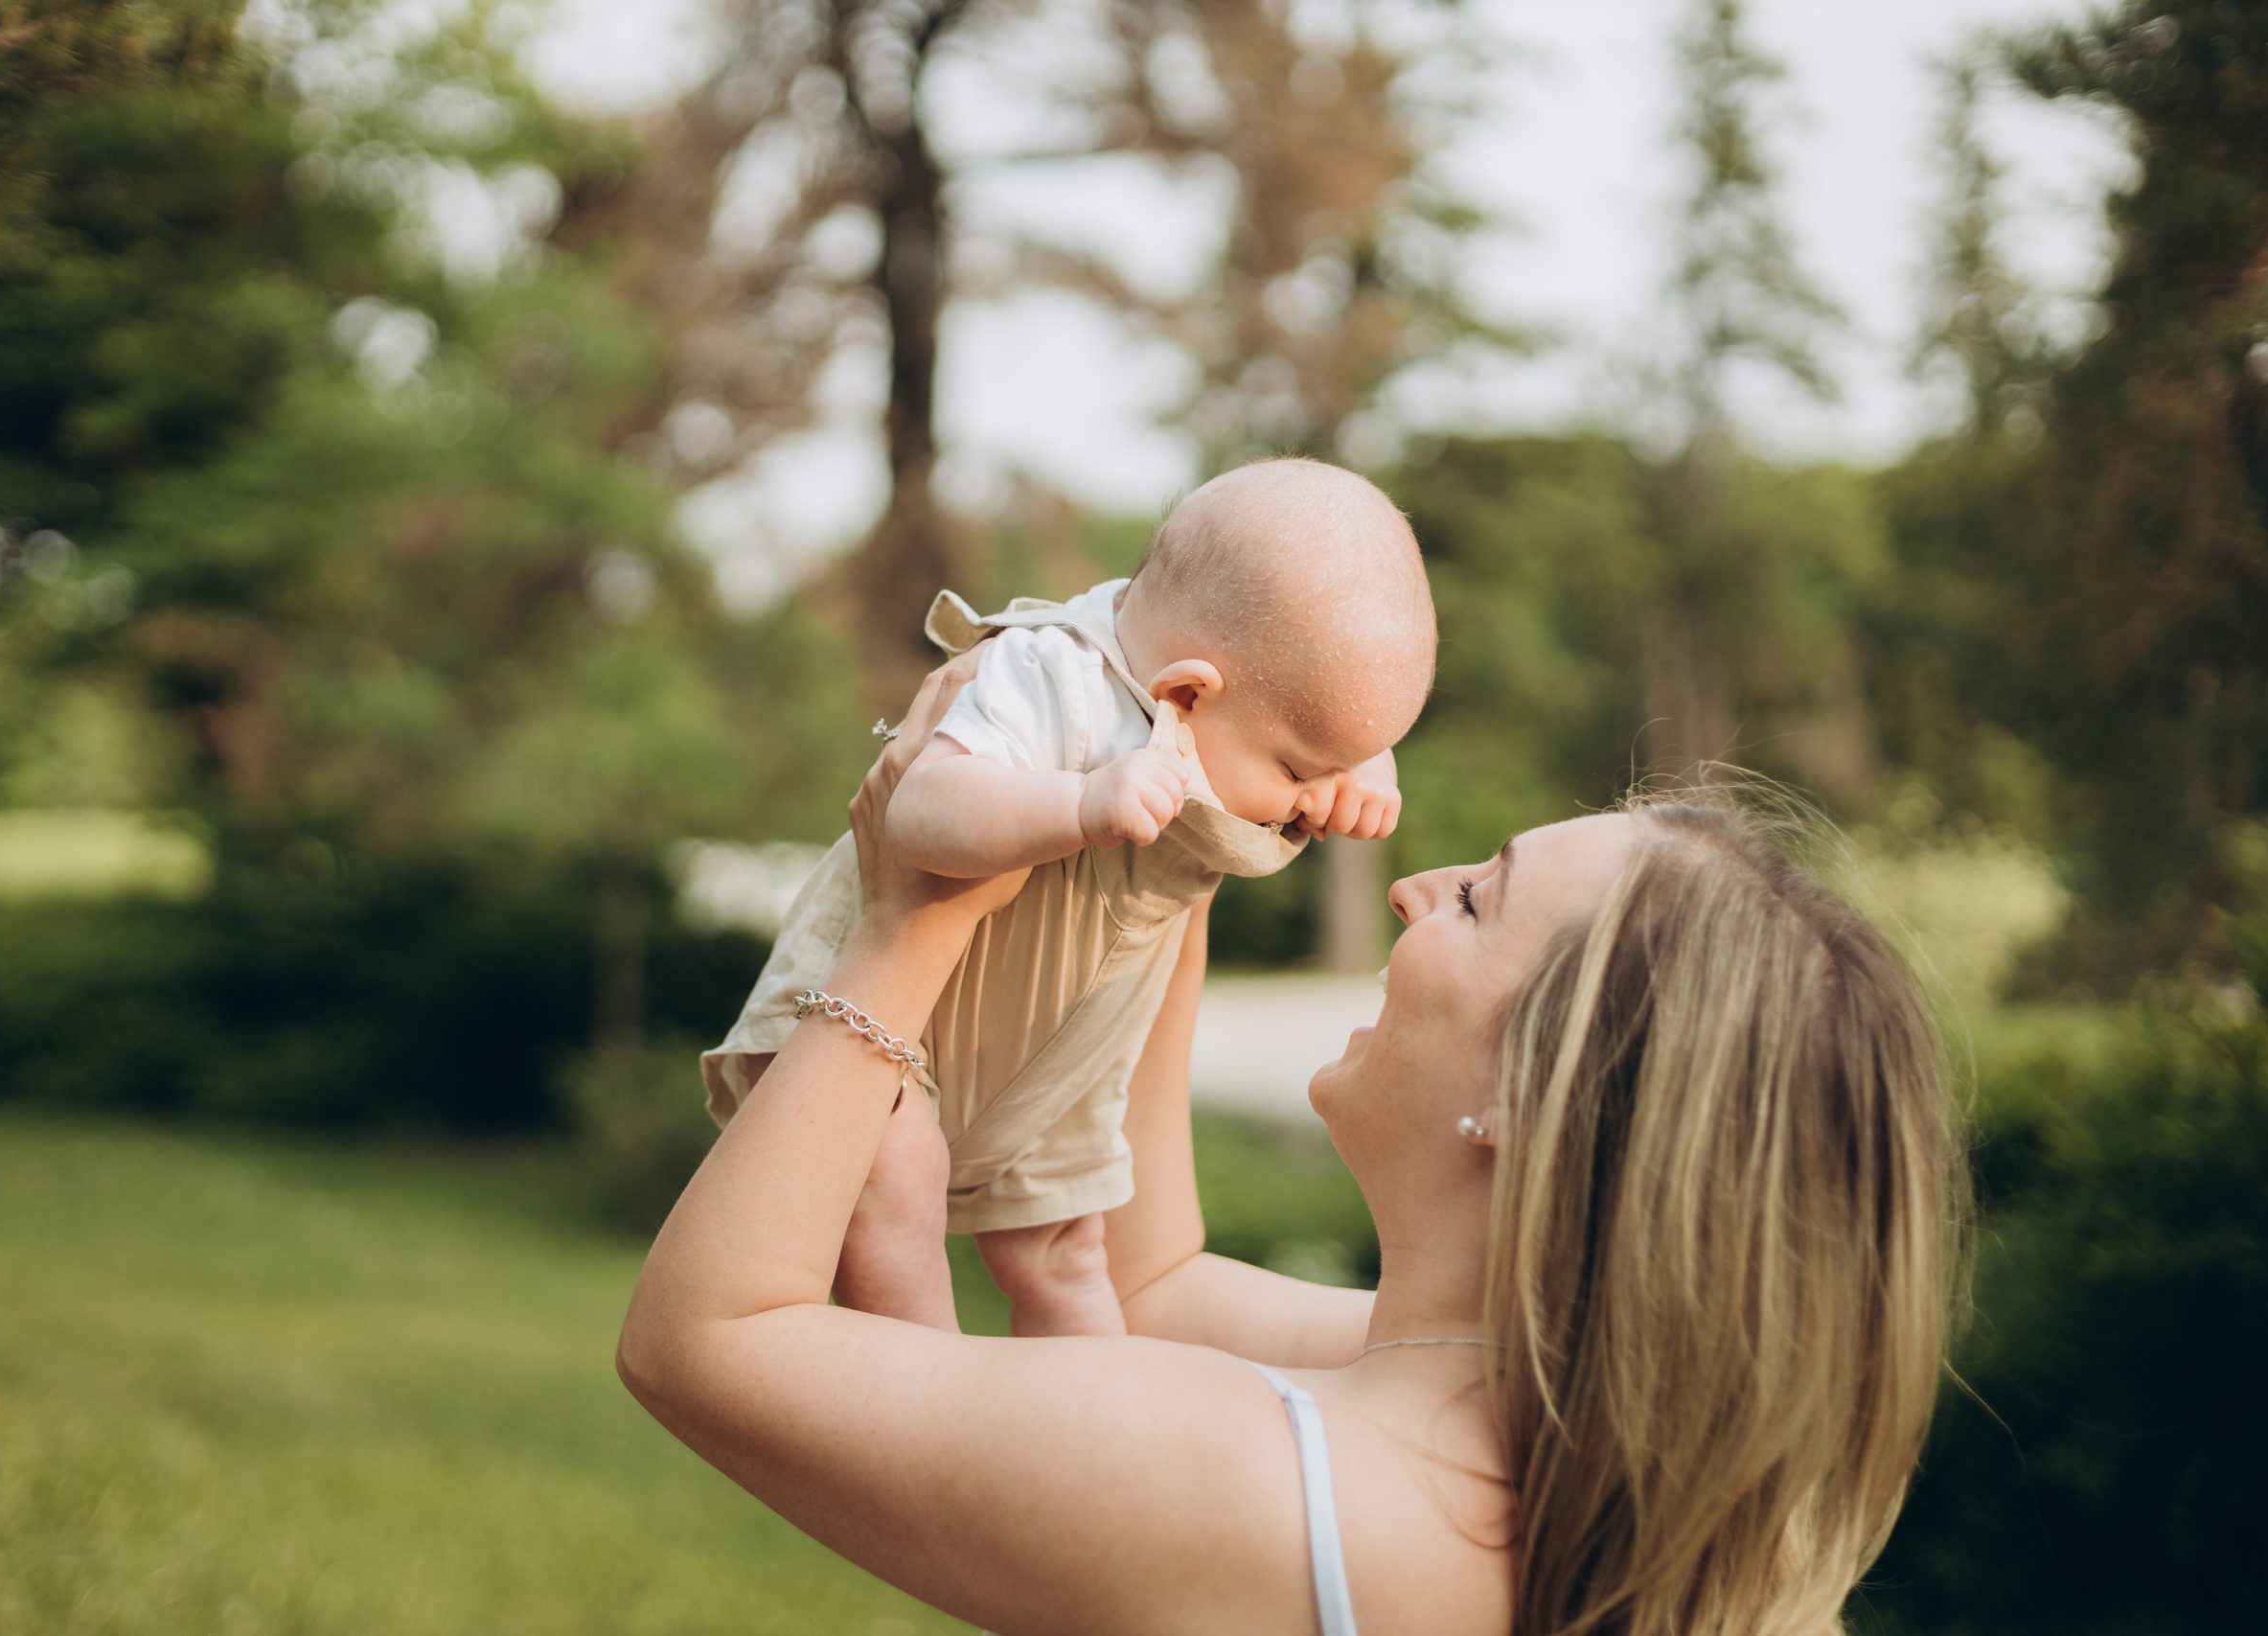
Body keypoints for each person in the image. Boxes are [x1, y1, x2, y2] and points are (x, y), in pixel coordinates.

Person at [620, 653, 1960, 1636]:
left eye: (1479, 898)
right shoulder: (1565, 1462)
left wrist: (908, 925)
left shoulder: (1246, 1475)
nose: (1414, 886)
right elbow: (1150, 1282)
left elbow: (706, 1340)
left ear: (1538, 1095)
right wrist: (1194, 829)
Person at [700, 458, 1436, 1339]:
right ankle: (926, 1424)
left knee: (1068, 1257)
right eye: (1301, 771)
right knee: (894, 1180)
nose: (1317, 803)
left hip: (1040, 1068)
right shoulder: (1054, 679)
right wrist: (1078, 803)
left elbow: (1317, 722)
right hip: (877, 1031)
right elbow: (921, 808)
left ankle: (1086, 1439)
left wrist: (1360, 766)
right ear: (1186, 695)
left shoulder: (1236, 711)